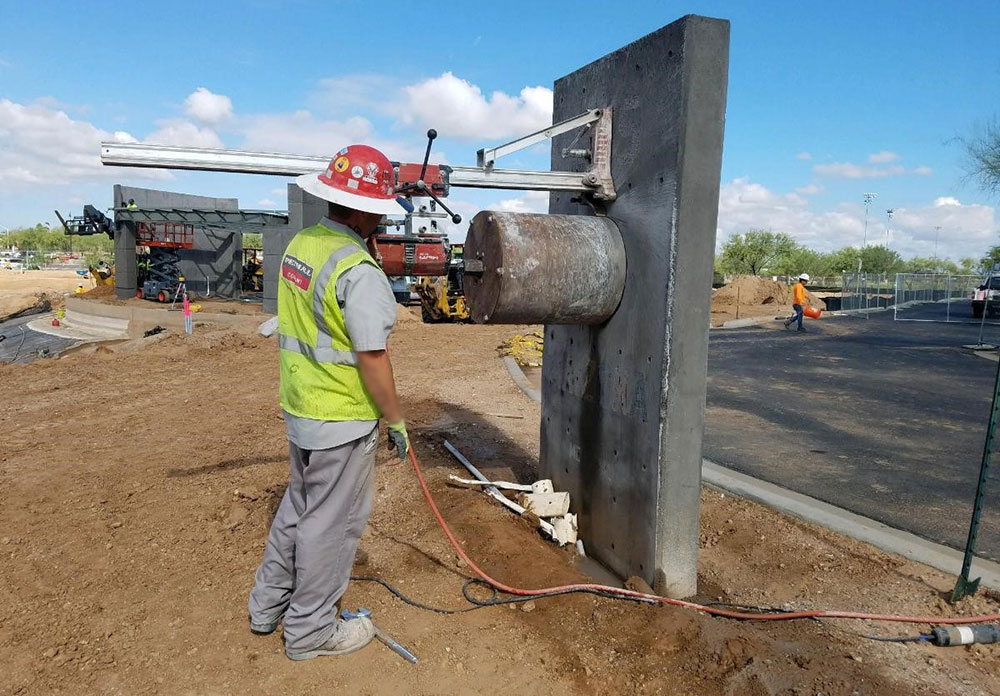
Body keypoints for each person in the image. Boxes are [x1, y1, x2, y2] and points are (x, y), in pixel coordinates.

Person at [248, 144, 409, 660]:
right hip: (342, 416)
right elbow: (372, 358)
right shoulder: (358, 271)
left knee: (298, 506)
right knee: (331, 523)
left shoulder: (303, 244)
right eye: (381, 207)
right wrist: (395, 419)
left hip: (300, 407)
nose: (383, 216)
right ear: (363, 210)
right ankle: (311, 631)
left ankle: (266, 607)